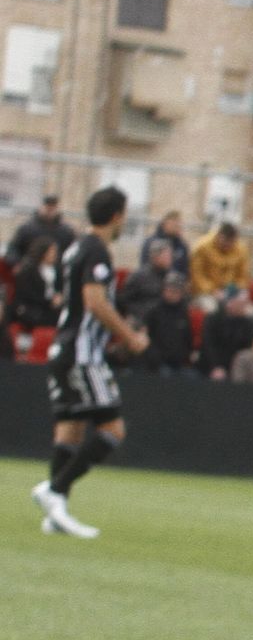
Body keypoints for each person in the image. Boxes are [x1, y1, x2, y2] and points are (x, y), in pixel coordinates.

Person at [32, 187, 149, 538]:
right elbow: (95, 302)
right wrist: (130, 337)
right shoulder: (96, 250)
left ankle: (56, 514)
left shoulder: (75, 248)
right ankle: (54, 491)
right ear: (116, 216)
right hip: (82, 354)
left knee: (70, 428)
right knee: (112, 430)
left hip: (64, 350)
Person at [137, 272, 197, 375]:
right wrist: (155, 358)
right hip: (158, 364)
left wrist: (187, 355)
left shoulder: (184, 313)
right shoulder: (154, 312)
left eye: (176, 291)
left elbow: (188, 338)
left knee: (193, 377)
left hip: (179, 364)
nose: (172, 293)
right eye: (170, 289)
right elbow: (145, 337)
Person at [199, 287, 253, 379]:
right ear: (230, 302)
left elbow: (248, 348)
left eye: (245, 304)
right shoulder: (213, 319)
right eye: (241, 303)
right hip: (212, 366)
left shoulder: (248, 323)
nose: (244, 307)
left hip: (237, 368)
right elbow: (208, 345)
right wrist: (216, 367)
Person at [4, 236, 62, 330]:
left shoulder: (58, 270)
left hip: (52, 309)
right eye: (51, 252)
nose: (54, 255)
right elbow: (26, 294)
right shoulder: (28, 271)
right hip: (32, 309)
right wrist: (49, 300)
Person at [5, 194, 74, 269]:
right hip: (29, 270)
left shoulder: (65, 231)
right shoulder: (27, 228)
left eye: (53, 208)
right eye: (47, 207)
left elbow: (71, 251)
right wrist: (16, 264)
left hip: (55, 270)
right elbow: (13, 248)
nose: (50, 211)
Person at [118, 236, 176, 324]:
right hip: (143, 322)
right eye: (167, 255)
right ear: (155, 256)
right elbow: (124, 301)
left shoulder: (173, 277)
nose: (170, 259)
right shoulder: (138, 277)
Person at [189, 222, 251, 302]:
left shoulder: (241, 250)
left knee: (245, 307)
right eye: (225, 243)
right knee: (211, 307)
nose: (228, 246)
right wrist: (212, 291)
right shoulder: (202, 247)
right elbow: (197, 275)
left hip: (230, 290)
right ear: (218, 236)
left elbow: (243, 275)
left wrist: (235, 288)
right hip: (205, 292)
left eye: (231, 243)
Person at [140, 210, 191, 278]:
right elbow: (144, 265)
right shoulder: (151, 243)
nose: (177, 227)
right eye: (174, 224)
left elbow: (185, 269)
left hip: (175, 285)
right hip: (153, 283)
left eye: (179, 224)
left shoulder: (182, 246)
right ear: (165, 223)